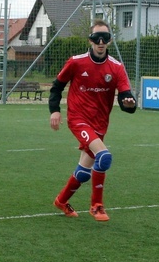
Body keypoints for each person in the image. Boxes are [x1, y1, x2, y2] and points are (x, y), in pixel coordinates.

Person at [49, 19, 137, 221]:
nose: (100, 41)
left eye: (104, 38)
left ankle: (61, 201)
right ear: (90, 41)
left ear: (110, 40)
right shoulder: (76, 62)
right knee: (104, 157)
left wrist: (129, 104)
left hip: (100, 124)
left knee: (83, 172)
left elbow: (125, 96)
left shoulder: (116, 67)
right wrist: (55, 110)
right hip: (78, 119)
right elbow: (57, 86)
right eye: (96, 38)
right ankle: (97, 205)